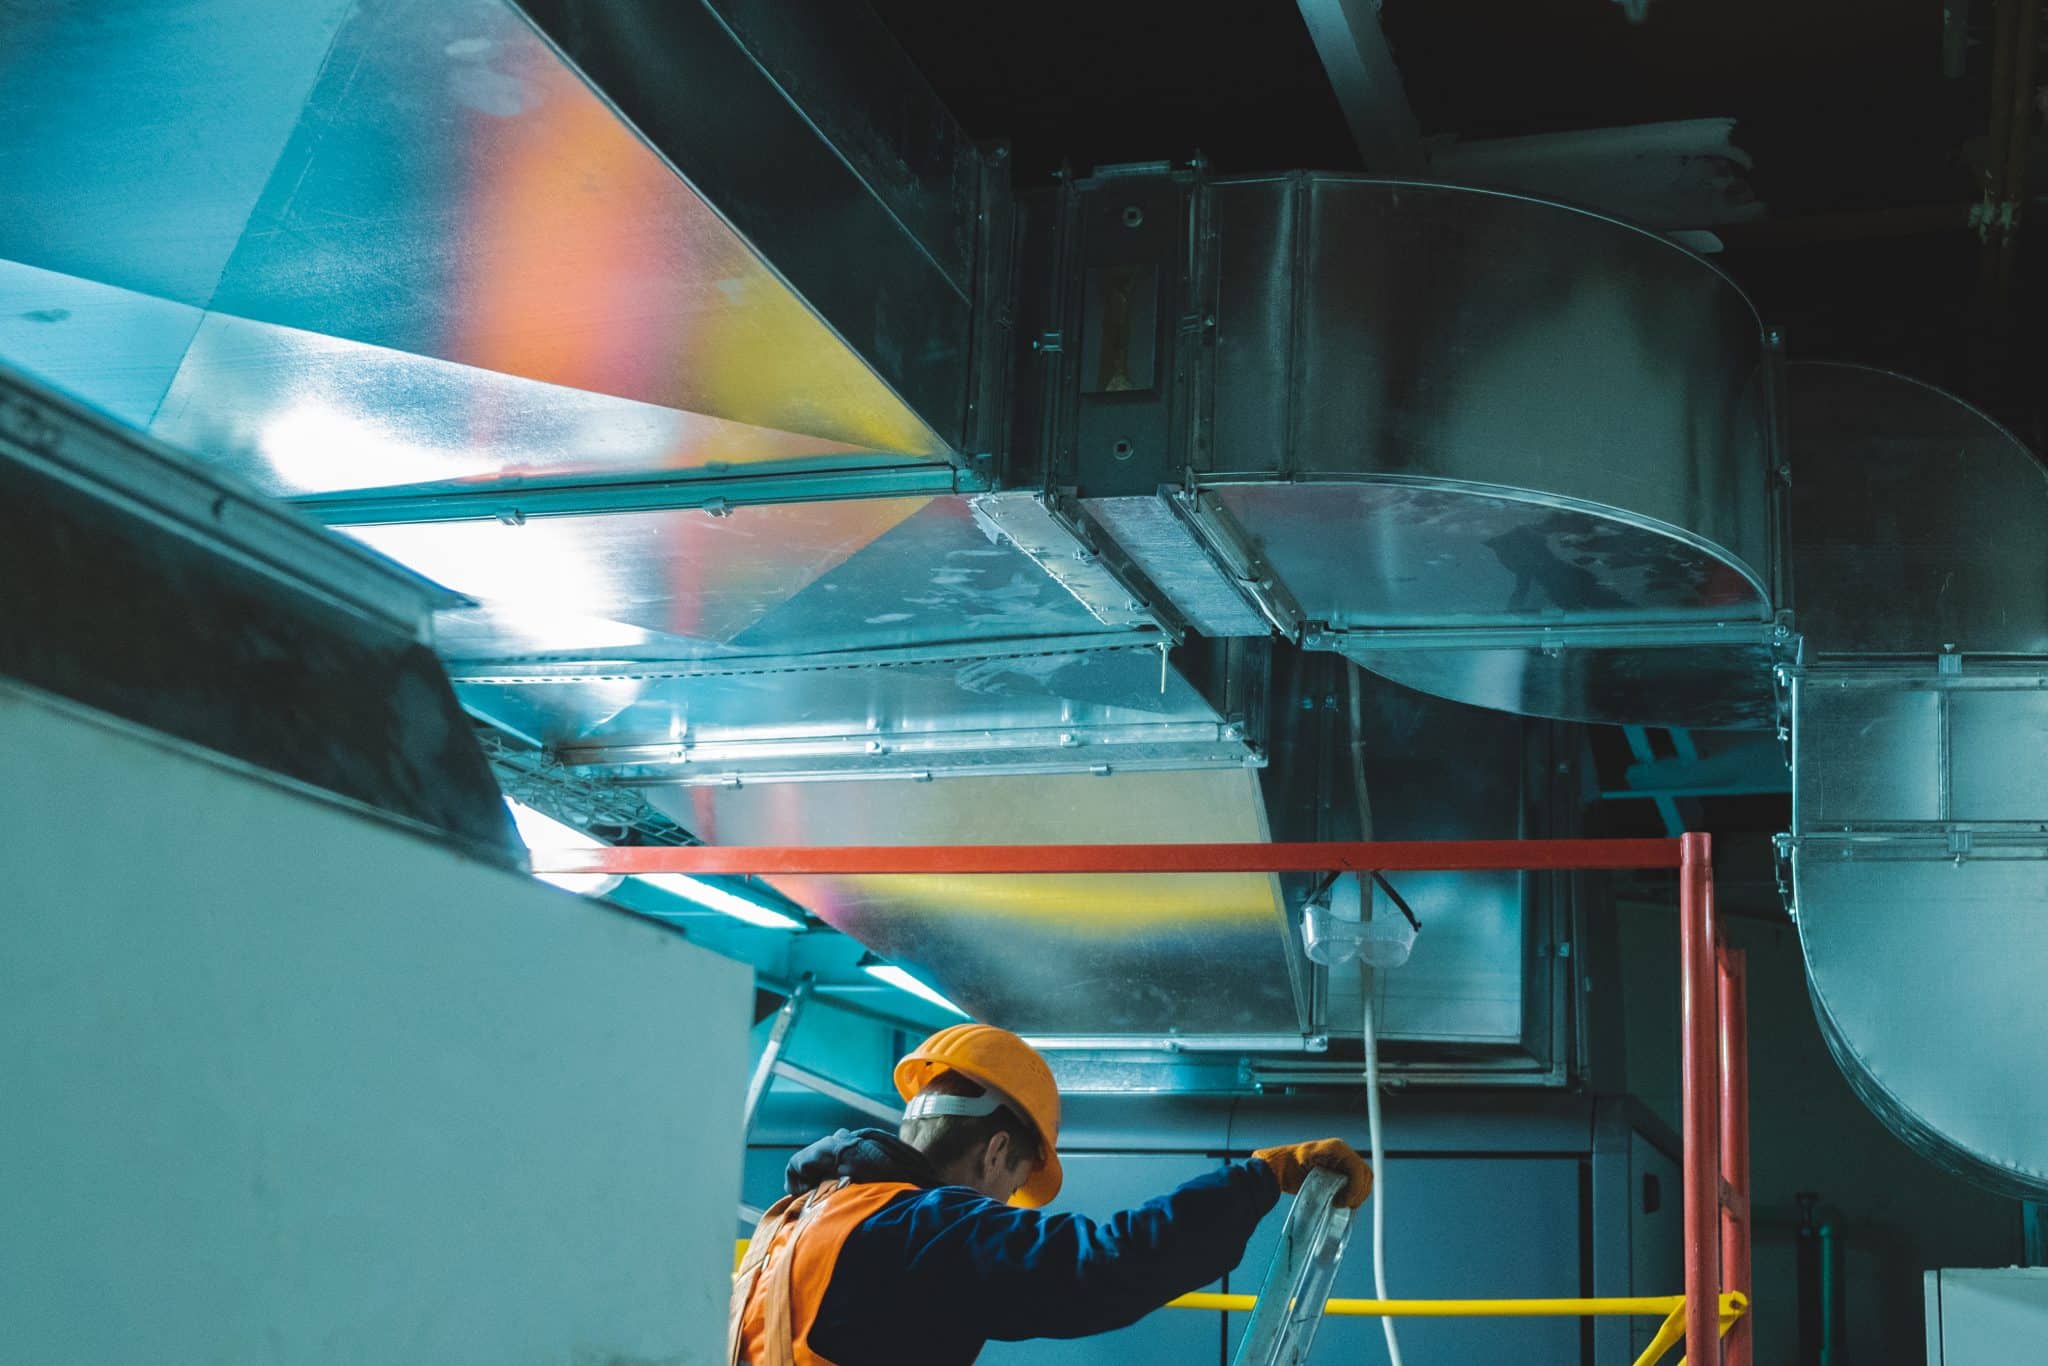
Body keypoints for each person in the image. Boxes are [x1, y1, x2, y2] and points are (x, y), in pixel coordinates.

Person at [730, 1022, 1372, 1365]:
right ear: (998, 1151)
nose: (1006, 1202)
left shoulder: (797, 1221)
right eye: (1013, 1187)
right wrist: (1261, 1176)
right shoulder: (919, 1229)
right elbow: (1107, 1266)